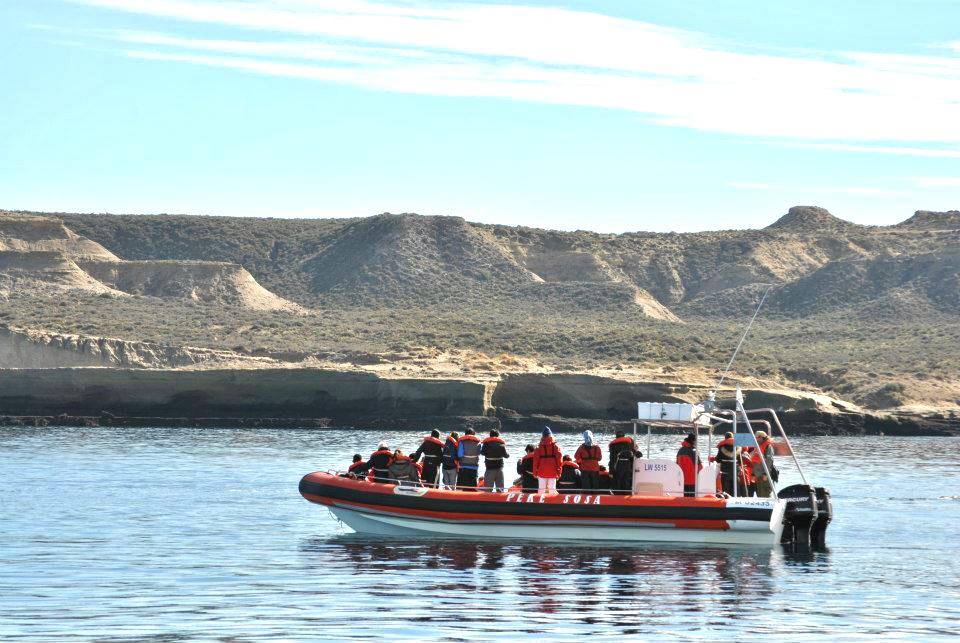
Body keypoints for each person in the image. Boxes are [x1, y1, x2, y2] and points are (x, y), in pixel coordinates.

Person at [532, 427, 563, 494]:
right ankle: (552, 503)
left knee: (541, 490)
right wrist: (559, 472)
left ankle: (540, 502)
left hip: (541, 472)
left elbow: (535, 462)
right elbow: (559, 461)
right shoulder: (556, 447)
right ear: (551, 435)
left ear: (542, 436)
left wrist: (535, 472)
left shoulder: (538, 448)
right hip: (553, 471)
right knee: (552, 490)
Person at [751, 431, 777, 497]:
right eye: (755, 437)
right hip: (757, 475)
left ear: (762, 438)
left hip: (763, 475)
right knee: (759, 494)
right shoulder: (757, 446)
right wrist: (753, 474)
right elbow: (754, 462)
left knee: (765, 494)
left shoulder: (768, 447)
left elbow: (769, 461)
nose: (756, 439)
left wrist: (766, 474)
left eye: (757, 437)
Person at [713, 432, 737, 496]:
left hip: (725, 471)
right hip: (735, 472)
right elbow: (740, 459)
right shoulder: (738, 447)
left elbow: (718, 460)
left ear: (725, 438)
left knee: (726, 490)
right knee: (734, 489)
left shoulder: (722, 447)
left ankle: (726, 502)